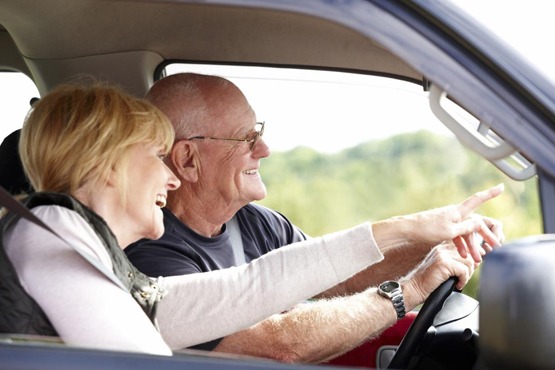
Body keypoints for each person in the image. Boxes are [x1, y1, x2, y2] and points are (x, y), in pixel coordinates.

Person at [0, 82, 488, 357]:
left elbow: (251, 287)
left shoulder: (81, 246)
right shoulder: (51, 233)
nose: (170, 178)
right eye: (154, 155)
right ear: (108, 165)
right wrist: (408, 286)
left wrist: (418, 239)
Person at [125, 73, 505, 362]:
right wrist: (411, 289)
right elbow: (277, 345)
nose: (265, 149)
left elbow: (340, 275)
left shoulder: (254, 222)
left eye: (259, 131)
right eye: (245, 138)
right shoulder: (149, 254)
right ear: (188, 159)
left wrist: (437, 242)